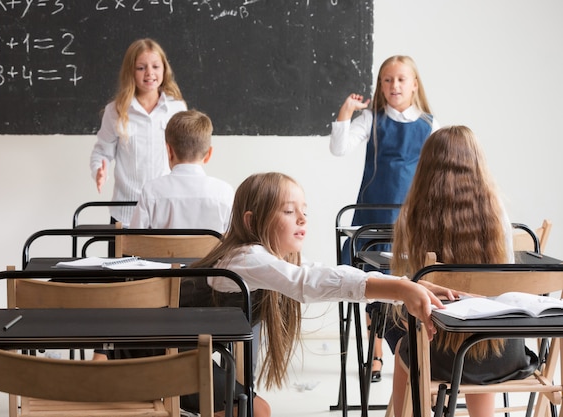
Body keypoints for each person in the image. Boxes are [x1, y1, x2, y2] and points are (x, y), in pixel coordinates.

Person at [189, 171, 458, 414]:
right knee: (258, 411)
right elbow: (307, 282)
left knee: (257, 409)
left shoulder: (265, 262)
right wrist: (400, 288)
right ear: (252, 221)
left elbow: (327, 273)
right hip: (161, 356)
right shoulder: (246, 258)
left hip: (184, 354)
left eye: (304, 210)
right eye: (288, 211)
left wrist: (408, 283)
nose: (302, 218)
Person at [390, 126, 539, 417]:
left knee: (404, 349)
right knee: (478, 345)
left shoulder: (412, 216)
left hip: (437, 352)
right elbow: (503, 278)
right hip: (503, 354)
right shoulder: (497, 215)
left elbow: (410, 286)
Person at [329, 55, 439, 381]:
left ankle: (411, 348)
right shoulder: (372, 120)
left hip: (412, 222)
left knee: (409, 283)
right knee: (373, 284)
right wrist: (346, 113)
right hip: (373, 217)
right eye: (387, 80)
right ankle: (374, 353)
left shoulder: (430, 124)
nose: (394, 86)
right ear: (380, 86)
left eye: (401, 79)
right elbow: (339, 149)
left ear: (414, 84)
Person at [89, 38, 187, 234]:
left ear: (164, 69)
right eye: (141, 67)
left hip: (166, 210)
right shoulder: (116, 110)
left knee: (165, 265)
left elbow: (185, 157)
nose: (149, 73)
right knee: (123, 264)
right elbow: (101, 153)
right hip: (126, 214)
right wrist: (99, 171)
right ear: (130, 72)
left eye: (155, 66)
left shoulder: (177, 108)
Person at [129, 109, 234, 233]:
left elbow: (133, 241)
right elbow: (234, 243)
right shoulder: (225, 193)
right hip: (212, 253)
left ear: (169, 151)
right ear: (209, 154)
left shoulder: (151, 191)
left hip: (161, 253)